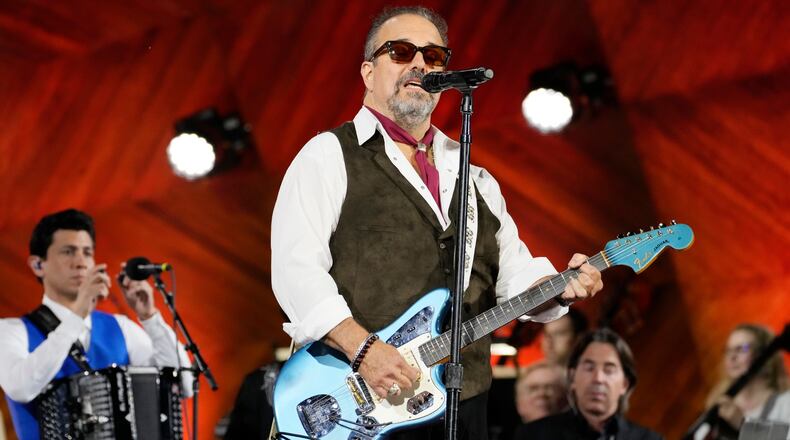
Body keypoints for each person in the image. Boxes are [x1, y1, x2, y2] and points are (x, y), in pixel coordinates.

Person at [270, 6, 603, 439]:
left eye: (433, 57)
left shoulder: (477, 180)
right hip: (362, 408)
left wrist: (561, 288)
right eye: (401, 51)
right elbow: (295, 272)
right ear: (369, 72)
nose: (419, 65)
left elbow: (514, 281)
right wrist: (364, 349)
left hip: (463, 408)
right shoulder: (328, 156)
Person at [0, 209, 192, 440]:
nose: (80, 262)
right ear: (38, 265)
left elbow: (182, 386)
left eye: (87, 252)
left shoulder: (121, 327)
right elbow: (20, 388)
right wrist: (77, 314)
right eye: (68, 252)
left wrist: (149, 317)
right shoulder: (11, 330)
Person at [516, 328, 663, 439]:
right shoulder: (533, 435)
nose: (598, 378)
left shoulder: (649, 438)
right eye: (589, 367)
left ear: (625, 384)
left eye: (609, 370)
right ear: (572, 377)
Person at [695, 324, 790, 439]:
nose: (732, 356)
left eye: (742, 349)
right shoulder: (718, 407)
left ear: (763, 353)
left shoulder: (785, 403)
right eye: (727, 350)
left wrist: (743, 425)